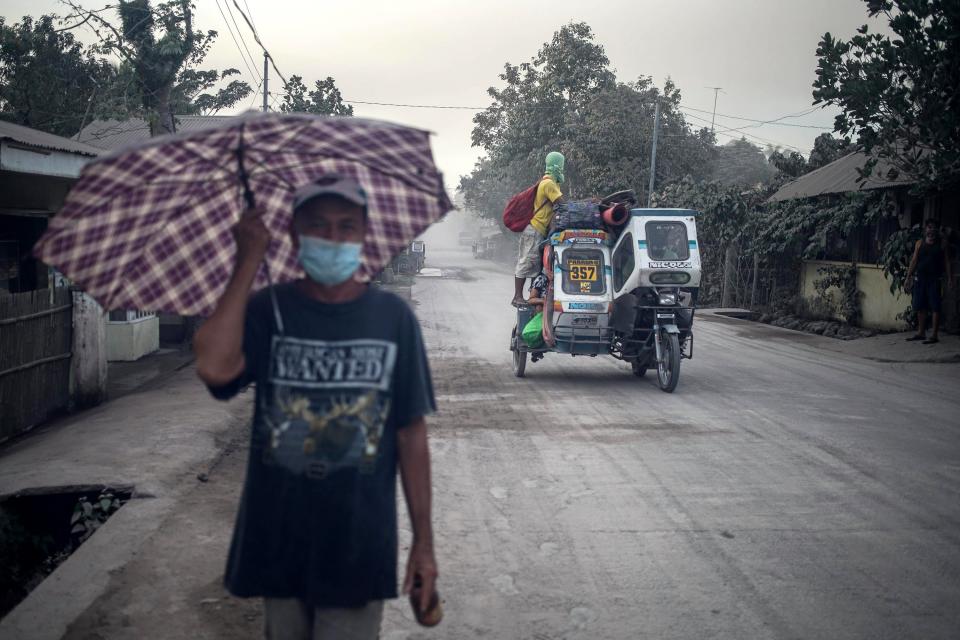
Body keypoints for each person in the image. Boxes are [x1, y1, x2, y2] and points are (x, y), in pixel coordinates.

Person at [193, 175, 438, 640]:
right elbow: (214, 366)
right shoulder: (270, 310)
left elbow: (411, 433)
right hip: (279, 539)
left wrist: (423, 544)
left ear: (363, 236)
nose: (333, 237)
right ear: (293, 234)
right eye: (318, 225)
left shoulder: (392, 318)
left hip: (359, 545)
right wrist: (247, 261)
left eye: (347, 226)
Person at [512, 151, 565, 306]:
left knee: (535, 266)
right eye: (561, 165)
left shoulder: (549, 182)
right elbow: (562, 204)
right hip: (534, 229)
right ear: (556, 166)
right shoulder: (549, 184)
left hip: (537, 231)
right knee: (526, 262)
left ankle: (529, 295)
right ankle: (517, 296)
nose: (562, 169)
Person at [905, 219, 954, 344]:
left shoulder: (942, 244)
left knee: (935, 306)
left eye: (934, 228)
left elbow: (947, 262)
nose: (931, 230)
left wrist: (949, 278)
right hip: (920, 278)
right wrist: (908, 276)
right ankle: (921, 333)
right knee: (920, 305)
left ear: (937, 230)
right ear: (925, 229)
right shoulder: (919, 243)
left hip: (934, 279)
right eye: (929, 227)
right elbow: (914, 260)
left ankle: (934, 335)